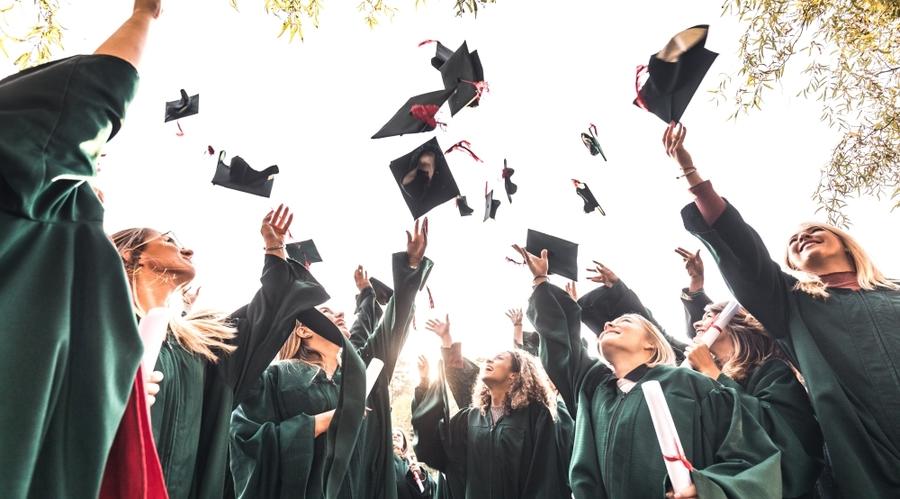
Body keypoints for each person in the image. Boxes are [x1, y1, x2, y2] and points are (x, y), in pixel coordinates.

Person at [663, 121, 900, 496]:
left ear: (845, 243)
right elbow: (744, 253)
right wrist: (691, 174)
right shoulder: (794, 305)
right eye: (793, 241)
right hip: (870, 459)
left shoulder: (895, 294)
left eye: (812, 230)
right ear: (793, 266)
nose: (802, 237)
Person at [0, 1, 167, 497]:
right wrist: (144, 17)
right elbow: (85, 102)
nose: (91, 173)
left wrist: (115, 386)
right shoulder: (26, 200)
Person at [513, 244, 783, 499]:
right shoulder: (592, 387)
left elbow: (750, 458)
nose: (608, 323)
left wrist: (707, 488)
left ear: (651, 344)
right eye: (610, 322)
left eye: (625, 320)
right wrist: (540, 281)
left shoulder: (692, 384)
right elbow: (562, 345)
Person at [112, 205, 332, 499]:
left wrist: (275, 247)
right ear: (129, 254)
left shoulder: (199, 347)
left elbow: (265, 315)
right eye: (168, 241)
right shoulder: (93, 326)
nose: (187, 250)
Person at [230, 219, 432, 498]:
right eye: (326, 314)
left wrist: (410, 267)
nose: (339, 315)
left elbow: (391, 328)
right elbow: (245, 440)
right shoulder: (275, 378)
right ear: (301, 328)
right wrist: (321, 422)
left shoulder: (361, 375)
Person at [412, 315, 574, 499]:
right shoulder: (468, 418)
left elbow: (546, 478)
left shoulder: (537, 417)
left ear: (514, 375)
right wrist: (424, 385)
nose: (488, 361)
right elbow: (434, 450)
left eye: (498, 358)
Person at [392, 428, 436, 499]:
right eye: (392, 435)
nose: (395, 436)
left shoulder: (410, 464)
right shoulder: (382, 460)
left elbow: (430, 490)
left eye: (399, 435)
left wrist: (421, 476)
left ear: (404, 443)